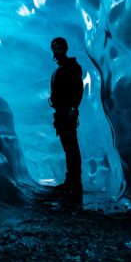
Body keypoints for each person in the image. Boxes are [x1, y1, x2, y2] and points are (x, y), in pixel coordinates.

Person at [49, 37, 83, 192]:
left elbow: (77, 90)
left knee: (71, 147)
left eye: (57, 48)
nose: (55, 52)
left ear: (64, 48)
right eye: (53, 49)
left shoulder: (72, 68)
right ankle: (71, 179)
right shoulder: (59, 71)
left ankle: (74, 181)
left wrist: (73, 109)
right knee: (68, 147)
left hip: (67, 113)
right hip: (61, 114)